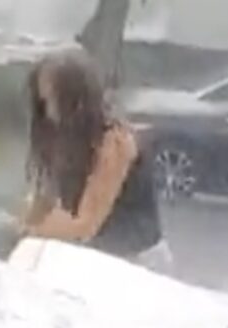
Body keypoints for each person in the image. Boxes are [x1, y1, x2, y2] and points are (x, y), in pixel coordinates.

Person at [18, 50, 174, 274]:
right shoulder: (64, 137)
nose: (49, 111)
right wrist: (21, 224)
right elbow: (45, 197)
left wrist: (32, 232)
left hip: (138, 262)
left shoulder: (115, 141)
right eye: (43, 102)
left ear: (77, 99)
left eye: (54, 100)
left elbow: (86, 224)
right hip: (101, 254)